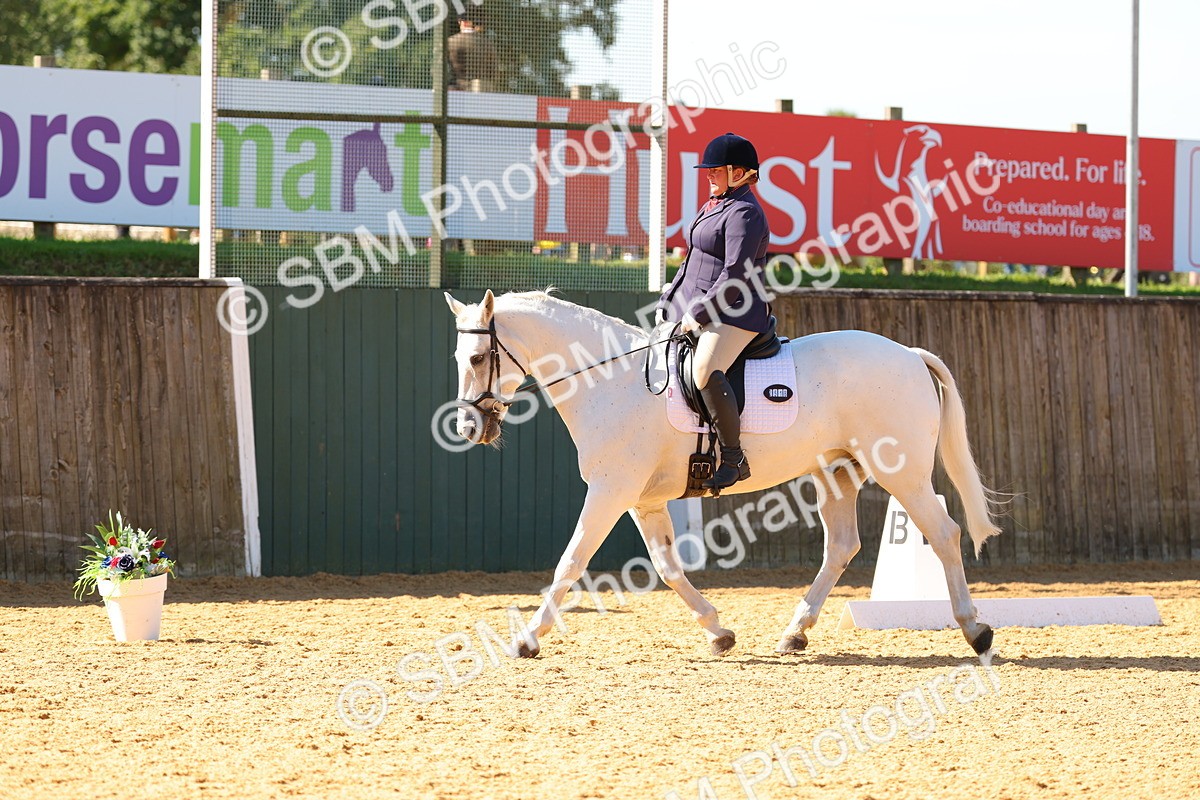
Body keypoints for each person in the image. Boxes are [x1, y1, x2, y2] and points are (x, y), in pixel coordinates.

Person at [656, 132, 771, 491]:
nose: (707, 174)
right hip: (699, 306)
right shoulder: (714, 205)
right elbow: (692, 261)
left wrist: (699, 315)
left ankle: (734, 457)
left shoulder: (745, 214)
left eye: (715, 170)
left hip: (737, 311)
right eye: (706, 169)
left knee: (704, 368)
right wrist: (669, 301)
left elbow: (734, 275)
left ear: (739, 173)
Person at [448, 11, 499, 92]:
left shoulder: (450, 42)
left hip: (457, 91)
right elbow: (494, 69)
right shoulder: (487, 43)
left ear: (461, 22)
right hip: (482, 90)